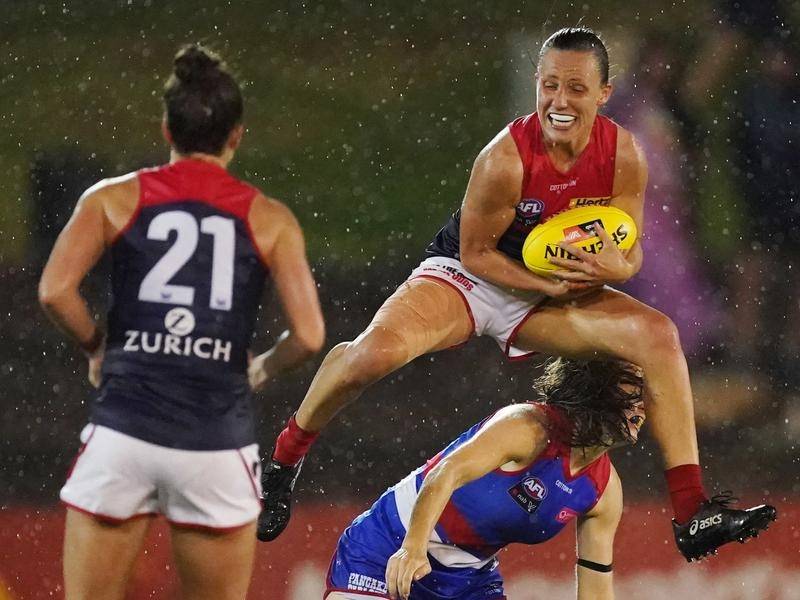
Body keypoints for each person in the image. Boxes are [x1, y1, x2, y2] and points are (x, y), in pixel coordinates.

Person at [257, 26, 770, 560]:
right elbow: (478, 254)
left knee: (658, 335)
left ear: (603, 94)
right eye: (550, 86)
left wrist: (616, 264)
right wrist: (549, 282)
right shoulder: (504, 158)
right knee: (372, 357)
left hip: (542, 291)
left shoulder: (624, 155)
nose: (560, 101)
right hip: (468, 276)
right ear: (536, 85)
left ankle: (691, 512)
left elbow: (630, 247)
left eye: (575, 88)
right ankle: (284, 459)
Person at [38, 44, 325, 600]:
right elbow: (310, 335)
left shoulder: (113, 199)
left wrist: (99, 346)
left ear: (166, 129)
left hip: (126, 430)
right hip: (214, 442)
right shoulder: (269, 218)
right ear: (236, 135)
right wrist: (260, 370)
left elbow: (55, 291)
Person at [324, 359, 775, 600]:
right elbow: (443, 476)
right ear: (595, 394)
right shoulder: (526, 426)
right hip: (387, 547)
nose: (643, 406)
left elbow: (596, 585)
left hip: (466, 582)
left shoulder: (603, 491)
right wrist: (412, 548)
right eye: (630, 394)